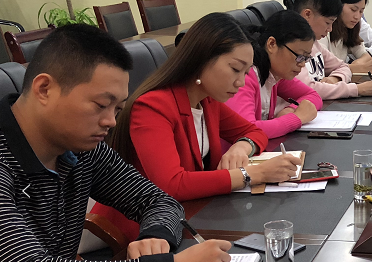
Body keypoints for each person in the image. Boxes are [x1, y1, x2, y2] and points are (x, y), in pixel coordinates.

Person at [0, 24, 232, 262]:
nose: (111, 121)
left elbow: (160, 201)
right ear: (45, 89)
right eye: (100, 105)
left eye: (117, 108)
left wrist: (155, 238)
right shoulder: (1, 163)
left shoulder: (82, 150)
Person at [97, 13, 301, 240]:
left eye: (246, 72)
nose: (241, 82)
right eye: (235, 69)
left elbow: (254, 132)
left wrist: (241, 147)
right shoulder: (152, 107)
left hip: (195, 215)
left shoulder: (207, 100)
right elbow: (172, 184)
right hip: (142, 233)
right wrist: (252, 174)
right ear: (201, 59)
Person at [226, 10, 323, 138]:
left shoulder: (276, 74)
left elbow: (313, 96)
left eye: (306, 58)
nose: (302, 64)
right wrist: (297, 118)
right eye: (299, 56)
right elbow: (246, 131)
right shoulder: (246, 76)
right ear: (272, 44)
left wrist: (290, 110)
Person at [291, 0, 372, 99]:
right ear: (307, 15)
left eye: (361, 11)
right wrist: (356, 89)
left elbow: (343, 67)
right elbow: (307, 89)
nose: (330, 29)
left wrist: (334, 79)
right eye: (327, 23)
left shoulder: (314, 43)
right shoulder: (291, 48)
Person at [321, 0, 372, 75]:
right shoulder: (324, 30)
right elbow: (325, 68)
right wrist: (359, 67)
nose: (357, 16)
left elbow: (365, 55)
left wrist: (356, 65)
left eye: (361, 11)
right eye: (353, 10)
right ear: (338, 5)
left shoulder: (348, 29)